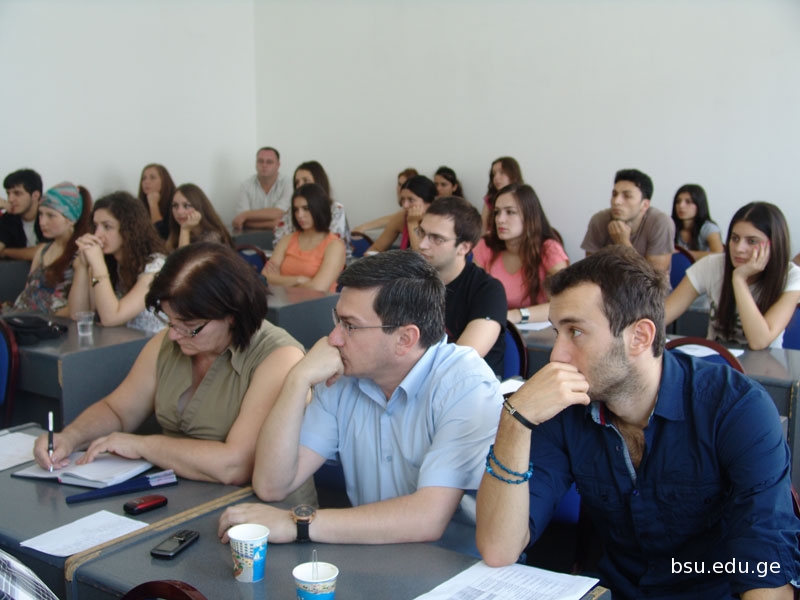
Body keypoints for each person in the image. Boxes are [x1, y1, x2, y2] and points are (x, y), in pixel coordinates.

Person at [476, 246, 800, 599]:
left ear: (640, 337)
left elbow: (766, 573)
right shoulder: (567, 406)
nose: (557, 355)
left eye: (576, 332)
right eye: (557, 332)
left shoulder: (736, 409)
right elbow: (499, 548)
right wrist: (515, 419)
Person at [218, 250, 502, 546]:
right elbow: (272, 485)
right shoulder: (343, 375)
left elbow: (428, 518)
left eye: (350, 326)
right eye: (337, 320)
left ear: (405, 339)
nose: (333, 338)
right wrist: (297, 379)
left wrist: (298, 524)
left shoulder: (465, 386)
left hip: (454, 564)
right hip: (371, 555)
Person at [34, 243, 316, 503]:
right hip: (181, 497)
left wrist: (143, 446)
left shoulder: (279, 357)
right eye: (169, 321)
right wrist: (70, 437)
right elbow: (117, 410)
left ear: (232, 315)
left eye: (189, 326)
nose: (173, 335)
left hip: (259, 513)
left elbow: (234, 465)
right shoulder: (171, 342)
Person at [666, 201, 800, 349]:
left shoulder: (791, 276)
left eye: (751, 241)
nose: (739, 248)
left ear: (773, 244)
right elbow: (663, 316)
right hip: (716, 359)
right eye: (735, 238)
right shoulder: (712, 265)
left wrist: (739, 279)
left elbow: (759, 342)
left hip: (765, 362)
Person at [418, 196, 507, 376]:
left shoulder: (488, 291)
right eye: (421, 232)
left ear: (464, 248)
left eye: (436, 238)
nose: (422, 244)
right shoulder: (410, 281)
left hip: (467, 387)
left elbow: (460, 362)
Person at [67, 191, 167, 333]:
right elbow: (78, 315)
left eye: (107, 227)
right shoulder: (109, 262)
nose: (97, 234)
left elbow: (111, 318)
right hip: (122, 341)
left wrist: (97, 264)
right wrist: (82, 267)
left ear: (129, 230)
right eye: (96, 226)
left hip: (153, 342)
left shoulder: (155, 266)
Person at [473, 183, 569, 324]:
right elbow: (472, 296)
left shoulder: (549, 249)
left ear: (530, 216)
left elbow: (564, 303)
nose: (500, 219)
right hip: (492, 326)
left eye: (510, 212)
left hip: (537, 333)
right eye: (497, 212)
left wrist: (515, 315)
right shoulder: (485, 245)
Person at [12, 182, 92, 316]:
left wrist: (40, 320)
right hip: (20, 317)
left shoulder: (82, 254)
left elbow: (79, 310)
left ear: (70, 219)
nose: (42, 222)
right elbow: (27, 291)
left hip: (50, 323)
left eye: (51, 215)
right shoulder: (42, 251)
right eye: (41, 214)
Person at [581, 168, 675, 276]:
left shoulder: (660, 223)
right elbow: (590, 270)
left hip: (646, 286)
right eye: (614, 194)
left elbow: (654, 278)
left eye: (627, 196)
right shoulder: (599, 220)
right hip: (609, 284)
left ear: (645, 205)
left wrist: (623, 243)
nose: (616, 201)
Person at [262, 184, 346, 293]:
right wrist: (298, 280)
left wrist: (279, 280)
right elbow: (265, 277)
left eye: (306, 209)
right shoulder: (287, 240)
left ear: (319, 208)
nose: (300, 215)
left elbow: (318, 288)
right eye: (296, 210)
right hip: (283, 301)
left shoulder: (334, 246)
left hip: (318, 302)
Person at [272, 161, 351, 253]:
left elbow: (332, 243)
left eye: (306, 181)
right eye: (297, 182)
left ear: (319, 183)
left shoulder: (335, 209)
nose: (300, 185)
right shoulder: (292, 211)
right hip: (294, 257)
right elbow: (279, 243)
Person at [366, 175, 437, 252]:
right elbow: (376, 248)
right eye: (403, 199)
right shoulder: (402, 217)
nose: (405, 205)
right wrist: (370, 256)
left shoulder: (439, 222)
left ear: (429, 203)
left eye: (411, 200)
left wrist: (412, 223)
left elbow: (421, 256)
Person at [232, 147, 293, 231]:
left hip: (283, 235)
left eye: (269, 162)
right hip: (252, 235)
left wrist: (245, 215)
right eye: (260, 161)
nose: (264, 165)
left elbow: (278, 213)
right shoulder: (245, 186)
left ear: (278, 165)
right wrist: (272, 224)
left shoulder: (288, 184)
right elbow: (239, 221)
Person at [165, 183, 232, 251]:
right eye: (175, 205)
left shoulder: (212, 237)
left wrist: (185, 230)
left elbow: (184, 257)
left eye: (187, 206)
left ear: (200, 208)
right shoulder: (175, 234)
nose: (179, 211)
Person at [352, 167, 417, 235]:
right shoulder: (404, 209)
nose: (400, 189)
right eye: (399, 184)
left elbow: (394, 218)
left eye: (404, 185)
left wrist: (363, 227)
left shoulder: (416, 206)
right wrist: (362, 228)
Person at [0, 168, 45, 261]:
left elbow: (43, 252)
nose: (10, 199)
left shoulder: (49, 216)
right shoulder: (9, 218)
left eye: (17, 193)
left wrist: (5, 252)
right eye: (8, 193)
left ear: (35, 195)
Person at [671, 183, 724, 260]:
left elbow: (718, 253)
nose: (681, 206)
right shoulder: (670, 225)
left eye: (688, 202)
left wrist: (683, 254)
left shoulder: (708, 227)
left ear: (699, 204)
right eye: (678, 201)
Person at [481, 157, 523, 234]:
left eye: (502, 172)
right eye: (494, 174)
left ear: (513, 174)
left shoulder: (524, 197)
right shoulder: (490, 199)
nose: (496, 178)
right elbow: (483, 228)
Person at [137, 163, 176, 240]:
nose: (146, 182)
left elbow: (161, 236)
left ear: (164, 181)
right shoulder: (138, 205)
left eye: (152, 178)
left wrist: (153, 205)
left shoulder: (175, 204)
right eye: (144, 178)